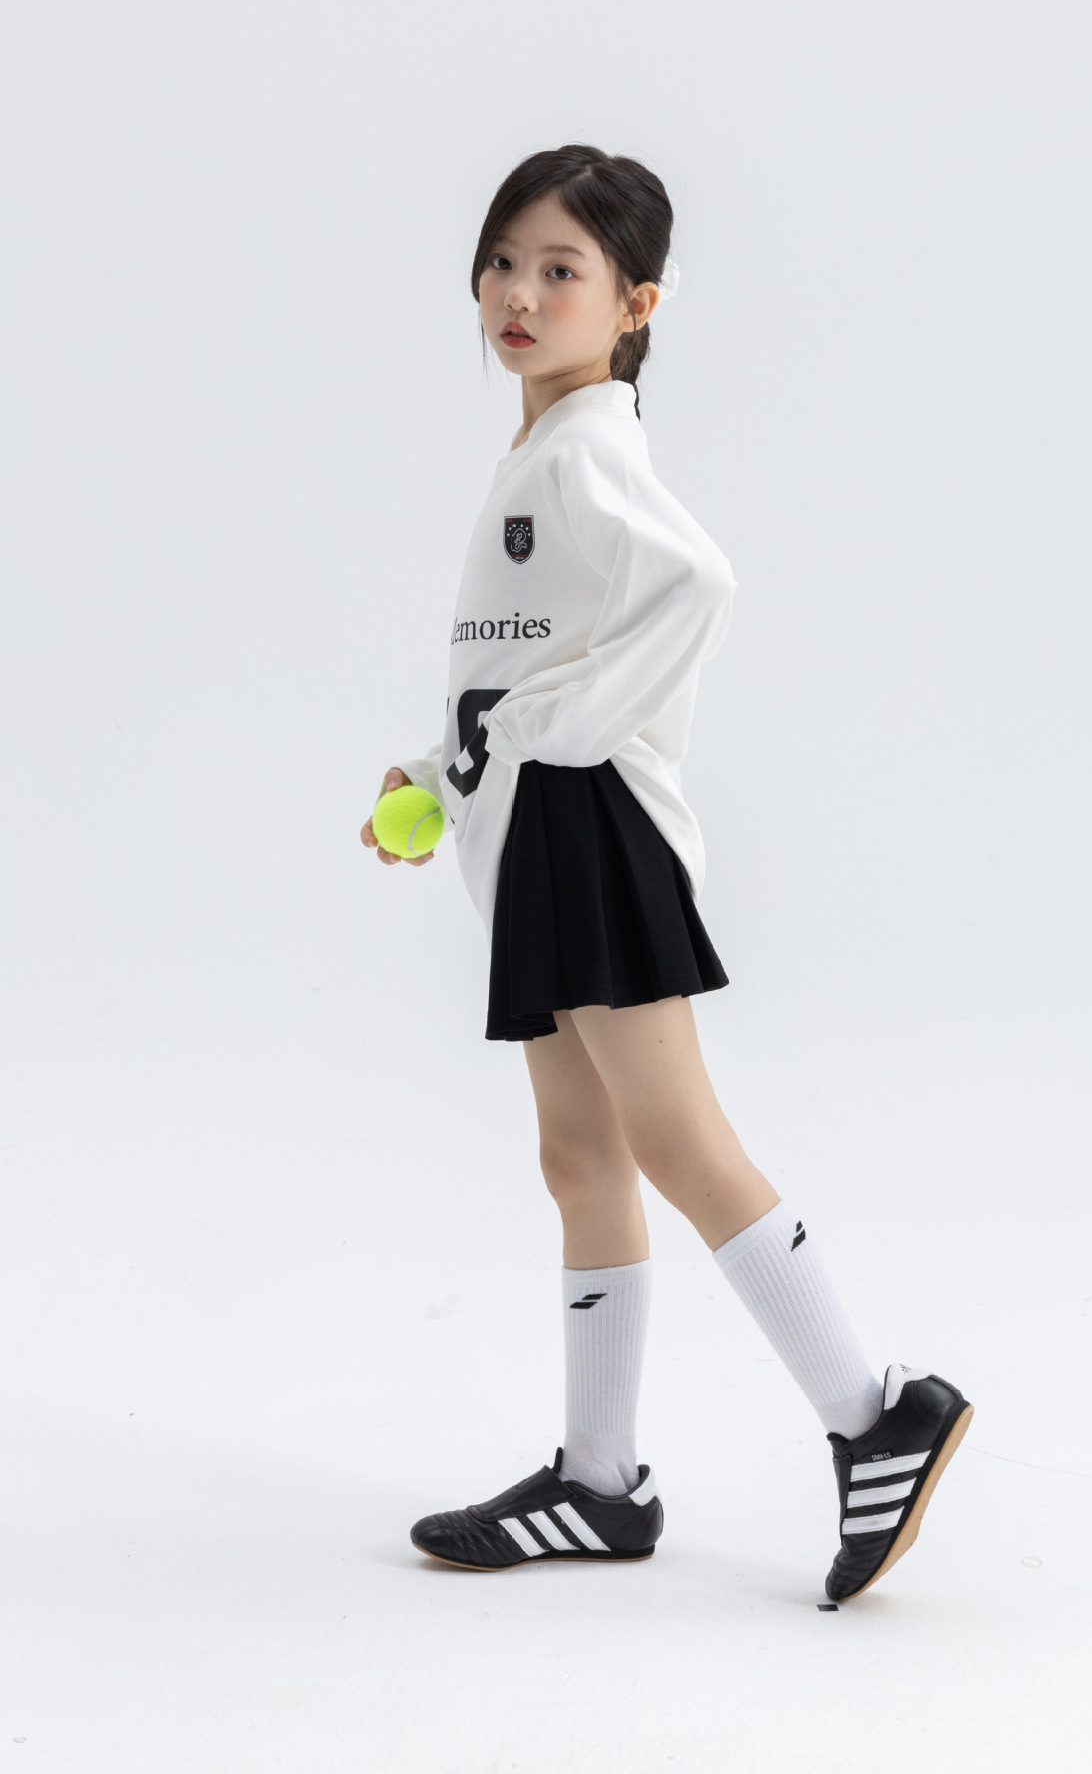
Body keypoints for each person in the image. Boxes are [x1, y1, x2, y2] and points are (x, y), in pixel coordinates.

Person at [360, 145, 971, 1601]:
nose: (518, 293)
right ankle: (598, 1482)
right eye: (503, 262)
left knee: (678, 1142)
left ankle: (875, 1411)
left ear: (636, 302)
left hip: (589, 836)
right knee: (580, 1156)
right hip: (539, 832)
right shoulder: (541, 452)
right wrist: (444, 769)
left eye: (560, 270)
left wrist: (542, 735)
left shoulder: (585, 452)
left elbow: (700, 587)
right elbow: (520, 670)